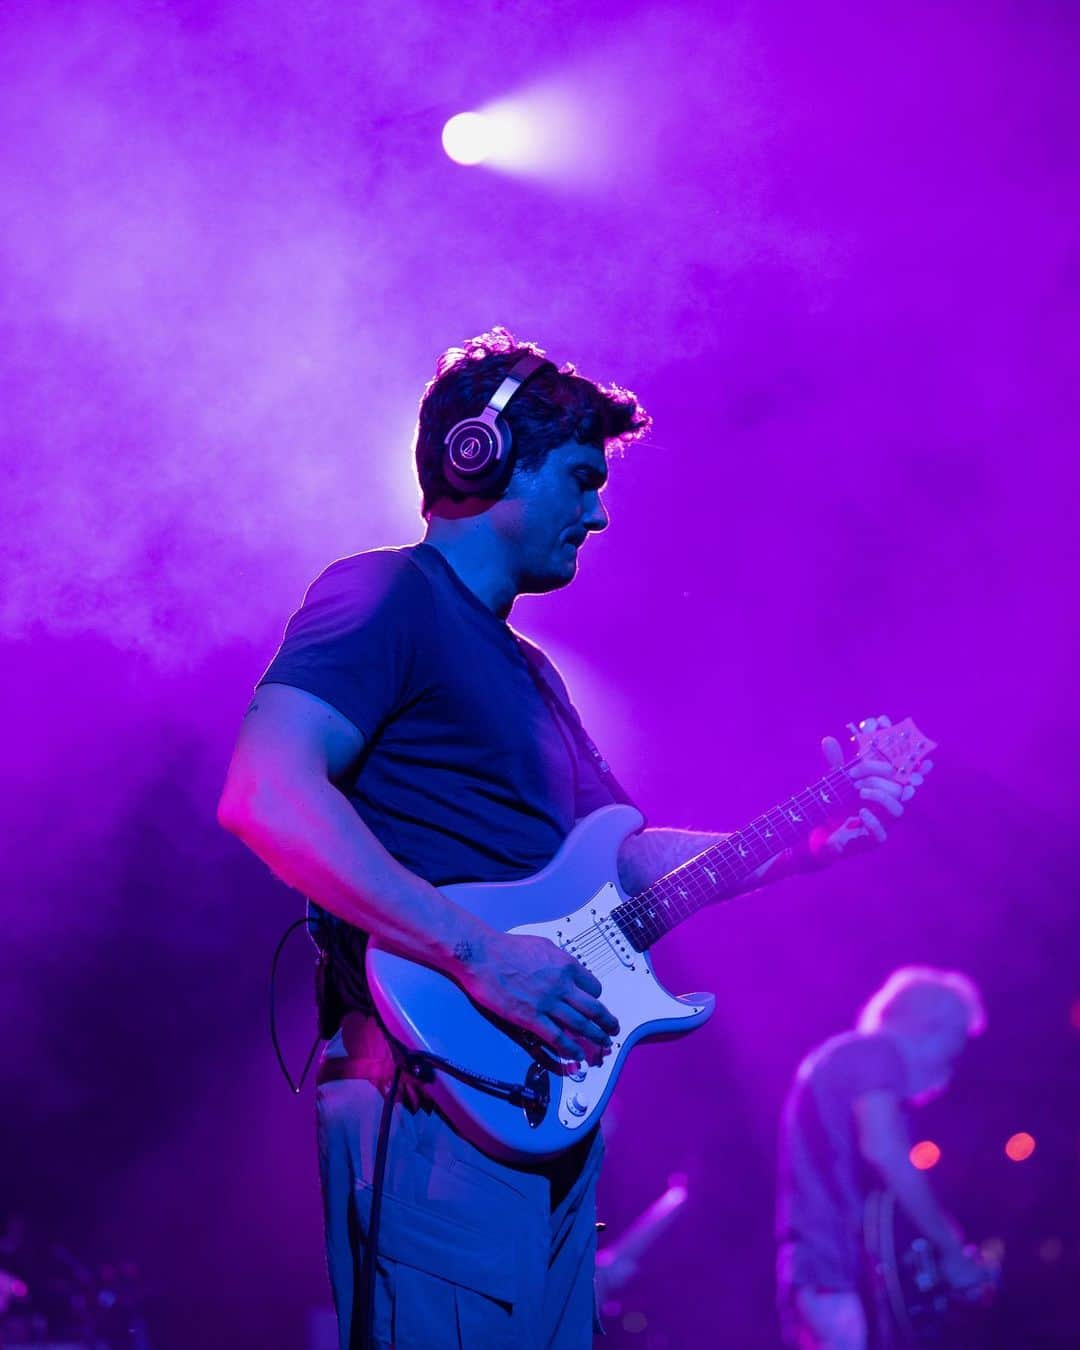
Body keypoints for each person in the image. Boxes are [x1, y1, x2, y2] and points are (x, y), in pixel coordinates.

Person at [217, 326, 923, 1349]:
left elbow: (624, 854)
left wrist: (807, 840)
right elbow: (264, 790)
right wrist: (482, 954)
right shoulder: (383, 595)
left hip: (523, 1105)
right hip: (434, 1091)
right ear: (482, 459)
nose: (596, 514)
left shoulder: (533, 675)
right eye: (581, 478)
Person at [776, 965, 991, 1350]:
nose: (949, 1069)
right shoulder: (876, 1051)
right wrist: (952, 1251)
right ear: (928, 1028)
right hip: (835, 1274)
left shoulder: (849, 1058)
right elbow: (885, 1151)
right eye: (953, 1047)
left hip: (825, 1274)